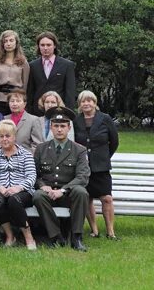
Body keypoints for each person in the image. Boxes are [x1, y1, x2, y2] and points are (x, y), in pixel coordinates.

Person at [33, 106, 90, 251]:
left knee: (81, 192)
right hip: (48, 193)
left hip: (68, 194)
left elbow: (82, 176)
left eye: (63, 126)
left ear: (69, 127)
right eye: (56, 126)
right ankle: (55, 236)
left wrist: (63, 190)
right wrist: (42, 185)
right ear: (51, 127)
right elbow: (34, 174)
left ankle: (76, 237)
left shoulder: (79, 150)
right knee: (38, 196)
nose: (59, 129)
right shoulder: (41, 148)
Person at [73, 90, 119, 239]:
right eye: (83, 101)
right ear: (80, 104)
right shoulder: (76, 120)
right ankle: (94, 230)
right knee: (87, 199)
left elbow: (114, 141)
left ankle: (110, 232)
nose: (87, 103)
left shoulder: (105, 119)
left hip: (101, 166)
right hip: (83, 167)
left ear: (95, 103)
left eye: (90, 100)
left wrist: (104, 157)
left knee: (107, 198)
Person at [0, 120, 37, 250]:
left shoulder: (26, 154)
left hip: (23, 191)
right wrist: (0, 187)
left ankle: (28, 235)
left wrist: (18, 188)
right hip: (1, 189)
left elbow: (31, 177)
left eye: (8, 136)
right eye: (1, 136)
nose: (4, 139)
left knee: (14, 200)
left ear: (14, 136)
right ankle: (10, 236)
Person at [27, 31, 77, 115]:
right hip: (37, 113)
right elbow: (30, 91)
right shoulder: (32, 65)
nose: (45, 48)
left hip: (59, 112)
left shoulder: (67, 65)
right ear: (38, 46)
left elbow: (70, 93)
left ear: (55, 46)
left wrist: (67, 113)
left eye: (48, 45)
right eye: (42, 45)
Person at [0, 30, 29, 115]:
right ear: (2, 44)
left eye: (11, 40)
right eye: (5, 41)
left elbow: (25, 85)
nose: (8, 43)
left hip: (16, 101)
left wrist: (22, 101)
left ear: (16, 43)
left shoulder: (23, 62)